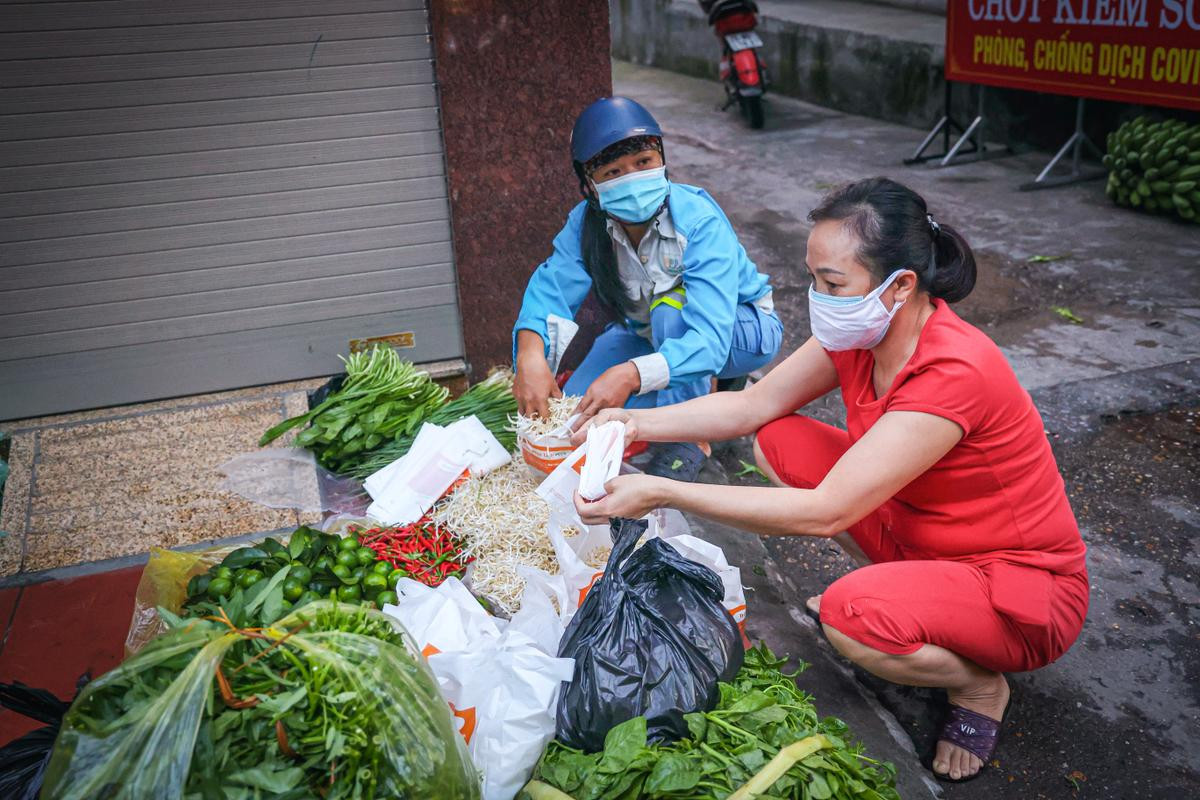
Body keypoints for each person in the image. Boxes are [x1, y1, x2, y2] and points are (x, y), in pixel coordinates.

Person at [572, 177, 1089, 783]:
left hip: (1020, 584)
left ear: (900, 286)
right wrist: (633, 420)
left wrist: (662, 490)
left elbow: (827, 512)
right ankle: (906, 595)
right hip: (923, 532)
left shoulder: (954, 370)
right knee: (777, 440)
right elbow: (748, 410)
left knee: (852, 619)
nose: (817, 297)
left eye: (832, 283)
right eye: (814, 278)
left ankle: (977, 685)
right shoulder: (863, 332)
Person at [512, 96, 783, 481]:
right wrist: (530, 354)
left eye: (643, 163)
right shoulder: (586, 224)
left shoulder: (698, 220)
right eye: (613, 172)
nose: (633, 178)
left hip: (743, 330)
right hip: (646, 332)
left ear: (661, 159)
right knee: (578, 409)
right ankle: (702, 390)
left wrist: (629, 375)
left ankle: (689, 439)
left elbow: (709, 338)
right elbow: (551, 287)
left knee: (669, 309)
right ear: (589, 184)